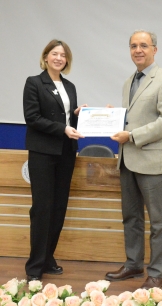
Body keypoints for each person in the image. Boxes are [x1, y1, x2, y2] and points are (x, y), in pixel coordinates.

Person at [105, 30, 162, 290]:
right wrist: (113, 116)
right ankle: (134, 264)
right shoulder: (129, 81)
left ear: (154, 50)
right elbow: (134, 117)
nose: (138, 50)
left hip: (153, 163)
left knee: (158, 223)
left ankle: (157, 273)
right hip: (128, 161)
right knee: (131, 218)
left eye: (144, 45)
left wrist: (132, 135)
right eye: (133, 46)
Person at [23, 39, 85, 281]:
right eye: (55, 54)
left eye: (63, 55)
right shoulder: (34, 83)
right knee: (42, 208)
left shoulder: (69, 86)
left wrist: (79, 115)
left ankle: (48, 258)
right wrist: (63, 128)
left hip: (66, 152)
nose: (59, 58)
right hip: (43, 153)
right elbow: (32, 118)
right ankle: (34, 266)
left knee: (59, 208)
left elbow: (68, 120)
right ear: (46, 57)